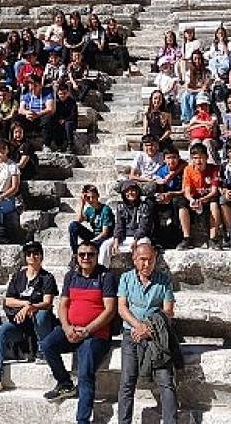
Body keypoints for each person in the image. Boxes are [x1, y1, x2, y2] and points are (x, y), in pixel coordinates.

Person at [39, 240, 118, 424]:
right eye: (82, 254)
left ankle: (82, 420)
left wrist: (87, 330)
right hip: (72, 329)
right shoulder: (71, 276)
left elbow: (110, 310)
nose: (86, 258)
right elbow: (63, 305)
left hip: (96, 334)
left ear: (97, 256)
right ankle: (65, 383)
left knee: (85, 373)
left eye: (90, 254)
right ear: (77, 256)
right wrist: (66, 328)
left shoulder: (106, 277)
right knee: (47, 345)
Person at [116, 243, 180, 424]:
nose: (146, 264)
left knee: (166, 381)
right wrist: (138, 326)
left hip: (157, 336)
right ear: (134, 260)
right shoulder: (126, 278)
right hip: (132, 334)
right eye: (142, 260)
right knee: (127, 382)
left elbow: (168, 311)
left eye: (150, 260)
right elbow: (122, 307)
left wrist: (148, 328)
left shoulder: (164, 280)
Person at [0, 241, 58, 395]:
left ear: (42, 256)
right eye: (29, 254)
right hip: (20, 323)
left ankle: (43, 351)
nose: (33, 256)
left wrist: (31, 307)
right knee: (0, 332)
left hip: (39, 323)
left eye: (36, 253)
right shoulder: (18, 277)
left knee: (42, 313)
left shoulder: (47, 278)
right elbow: (8, 301)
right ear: (25, 257)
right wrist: (26, 304)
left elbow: (47, 302)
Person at [183, 143, 224, 249]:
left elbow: (214, 191)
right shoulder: (188, 169)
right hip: (195, 197)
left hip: (208, 196)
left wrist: (203, 199)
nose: (198, 161)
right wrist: (191, 200)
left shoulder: (214, 169)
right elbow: (186, 191)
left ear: (206, 157)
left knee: (214, 204)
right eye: (195, 158)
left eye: (201, 157)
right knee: (181, 204)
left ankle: (213, 238)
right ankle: (186, 238)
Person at [68, 184, 115, 266]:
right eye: (88, 198)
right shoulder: (89, 210)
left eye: (93, 197)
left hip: (105, 238)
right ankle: (75, 254)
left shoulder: (105, 210)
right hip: (94, 235)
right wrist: (82, 203)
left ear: (98, 196)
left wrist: (90, 242)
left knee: (88, 248)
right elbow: (78, 220)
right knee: (73, 225)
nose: (91, 200)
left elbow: (105, 233)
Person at [155, 148, 192, 250]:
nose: (172, 161)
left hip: (180, 195)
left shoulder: (185, 169)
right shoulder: (161, 171)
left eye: (174, 157)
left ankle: (186, 238)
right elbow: (160, 188)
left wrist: (171, 194)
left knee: (179, 202)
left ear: (178, 158)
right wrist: (163, 196)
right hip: (167, 196)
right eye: (169, 158)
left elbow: (184, 190)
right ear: (164, 159)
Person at [114, 180, 155, 255]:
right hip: (124, 237)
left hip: (139, 238)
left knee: (144, 245)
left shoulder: (144, 206)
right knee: (106, 246)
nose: (130, 193)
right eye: (127, 191)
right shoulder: (120, 206)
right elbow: (119, 225)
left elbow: (144, 227)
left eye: (133, 190)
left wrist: (135, 240)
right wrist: (116, 241)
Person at [18, 75, 56, 149]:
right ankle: (20, 143)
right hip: (29, 116)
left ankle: (46, 145)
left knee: (48, 118)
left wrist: (37, 114)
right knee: (17, 118)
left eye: (35, 86)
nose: (33, 88)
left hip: (41, 116)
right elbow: (21, 109)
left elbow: (50, 108)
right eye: (31, 85)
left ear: (40, 85)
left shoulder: (47, 94)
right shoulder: (26, 95)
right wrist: (27, 113)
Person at [187, 93, 220, 165]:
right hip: (197, 138)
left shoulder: (213, 116)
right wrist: (204, 124)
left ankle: (212, 165)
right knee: (195, 142)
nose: (203, 108)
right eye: (201, 106)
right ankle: (192, 164)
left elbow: (212, 124)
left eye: (205, 105)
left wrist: (196, 123)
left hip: (211, 138)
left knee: (207, 142)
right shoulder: (195, 117)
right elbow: (189, 128)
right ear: (198, 107)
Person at [180, 50, 210, 123]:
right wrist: (198, 90)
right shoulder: (189, 72)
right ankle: (186, 119)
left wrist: (199, 90)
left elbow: (205, 87)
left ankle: (197, 117)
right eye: (195, 59)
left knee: (198, 96)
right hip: (194, 91)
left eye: (199, 58)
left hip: (202, 93)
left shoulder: (207, 72)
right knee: (185, 96)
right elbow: (187, 88)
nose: (197, 61)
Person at [50, 83, 78, 153]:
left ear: (68, 93)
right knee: (54, 125)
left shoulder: (72, 101)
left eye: (64, 93)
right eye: (60, 94)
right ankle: (58, 145)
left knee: (68, 125)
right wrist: (59, 120)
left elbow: (73, 114)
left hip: (69, 121)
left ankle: (70, 145)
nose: (62, 95)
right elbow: (53, 113)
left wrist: (65, 120)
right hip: (58, 120)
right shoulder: (55, 102)